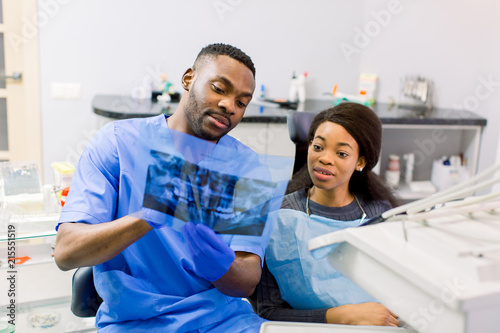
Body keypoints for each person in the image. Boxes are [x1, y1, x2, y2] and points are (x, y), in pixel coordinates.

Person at [54, 43, 268, 332]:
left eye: (241, 102)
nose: (229, 106)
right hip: (134, 323)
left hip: (224, 323)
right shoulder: (118, 143)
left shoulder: (248, 169)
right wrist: (146, 217)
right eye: (219, 88)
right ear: (189, 78)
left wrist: (219, 265)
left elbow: (247, 282)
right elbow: (67, 253)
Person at [250, 103, 401, 327]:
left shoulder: (381, 216)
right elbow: (268, 312)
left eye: (341, 153)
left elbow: (399, 299)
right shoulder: (278, 217)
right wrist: (341, 316)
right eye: (318, 147)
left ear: (360, 161)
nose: (325, 158)